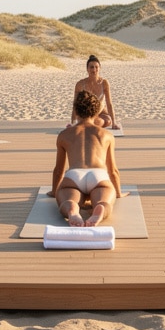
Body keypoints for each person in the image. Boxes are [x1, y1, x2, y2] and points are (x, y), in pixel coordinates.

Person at [50, 90, 122, 226]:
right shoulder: (106, 134)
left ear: (75, 111)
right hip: (99, 176)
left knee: (68, 201)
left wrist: (55, 191)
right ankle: (99, 210)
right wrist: (118, 192)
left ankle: (72, 211)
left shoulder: (64, 135)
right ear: (96, 112)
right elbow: (113, 170)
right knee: (104, 202)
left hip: (74, 176)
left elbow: (58, 170)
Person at [69, 55, 120, 130]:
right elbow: (75, 105)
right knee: (90, 122)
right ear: (87, 69)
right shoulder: (80, 84)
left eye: (96, 67)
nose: (94, 69)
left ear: (100, 68)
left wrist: (114, 123)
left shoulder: (104, 83)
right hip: (85, 113)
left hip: (101, 112)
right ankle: (86, 124)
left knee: (108, 121)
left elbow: (109, 103)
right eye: (91, 67)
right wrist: (73, 123)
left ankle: (88, 125)